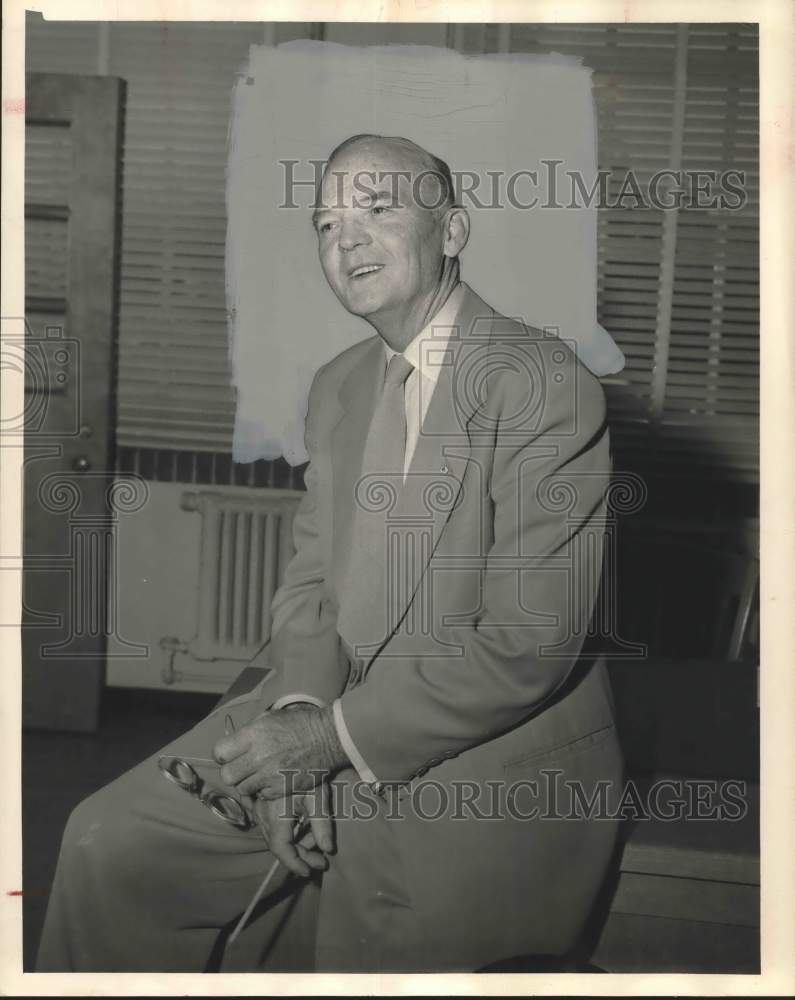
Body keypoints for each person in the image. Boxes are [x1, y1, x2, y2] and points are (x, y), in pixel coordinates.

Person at [36, 134, 624, 973]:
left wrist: (329, 742)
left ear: (451, 230)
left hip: (484, 760)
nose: (344, 238)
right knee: (106, 845)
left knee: (357, 953)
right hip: (326, 713)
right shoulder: (339, 384)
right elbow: (311, 588)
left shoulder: (542, 382)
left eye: (378, 210)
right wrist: (295, 716)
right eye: (324, 221)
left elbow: (528, 644)